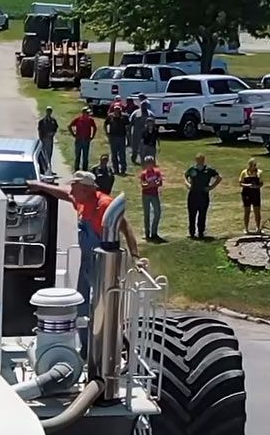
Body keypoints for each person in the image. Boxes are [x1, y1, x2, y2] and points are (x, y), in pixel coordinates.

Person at [26, 170, 140, 339]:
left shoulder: (104, 205)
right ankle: (86, 346)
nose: (71, 189)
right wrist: (40, 186)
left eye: (74, 186)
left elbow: (126, 228)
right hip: (86, 263)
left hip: (104, 265)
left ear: (87, 189)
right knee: (83, 303)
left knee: (100, 305)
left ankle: (102, 342)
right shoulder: (81, 200)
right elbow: (64, 193)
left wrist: (135, 257)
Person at [183, 154, 221, 240]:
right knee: (192, 215)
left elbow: (219, 178)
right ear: (196, 160)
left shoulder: (208, 170)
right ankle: (192, 233)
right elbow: (185, 176)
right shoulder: (192, 169)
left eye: (201, 160)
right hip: (193, 194)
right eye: (198, 160)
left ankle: (201, 232)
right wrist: (187, 184)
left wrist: (211, 187)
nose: (200, 161)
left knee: (202, 215)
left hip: (203, 195)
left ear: (204, 160)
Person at [138, 155, 166, 243]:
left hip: (154, 195)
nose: (149, 164)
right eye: (148, 163)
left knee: (157, 212)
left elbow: (160, 182)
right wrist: (151, 184)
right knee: (147, 214)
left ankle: (154, 232)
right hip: (146, 195)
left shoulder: (157, 172)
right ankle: (147, 233)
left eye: (151, 162)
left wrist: (151, 185)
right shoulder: (143, 174)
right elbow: (143, 185)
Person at [69, 106, 98, 172]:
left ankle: (85, 169)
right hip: (79, 139)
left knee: (85, 156)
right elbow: (70, 126)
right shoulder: (78, 119)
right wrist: (73, 134)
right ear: (83, 113)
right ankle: (76, 169)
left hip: (86, 139)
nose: (88, 114)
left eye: (88, 113)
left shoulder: (91, 120)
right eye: (86, 113)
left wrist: (92, 136)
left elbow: (95, 128)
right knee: (77, 155)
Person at [239, 159, 264, 234]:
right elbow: (240, 183)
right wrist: (248, 185)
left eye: (252, 165)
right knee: (247, 211)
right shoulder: (244, 172)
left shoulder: (259, 172)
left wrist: (257, 186)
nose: (251, 167)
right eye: (250, 165)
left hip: (256, 193)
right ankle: (246, 228)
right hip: (246, 193)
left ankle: (258, 228)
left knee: (257, 211)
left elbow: (261, 183)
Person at [127, 102, 152, 174]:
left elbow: (153, 124)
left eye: (145, 106)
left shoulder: (150, 114)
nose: (144, 107)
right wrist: (129, 132)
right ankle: (133, 158)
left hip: (146, 134)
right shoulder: (136, 113)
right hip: (136, 133)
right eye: (143, 105)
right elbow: (130, 123)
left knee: (144, 148)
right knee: (135, 147)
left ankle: (144, 161)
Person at [105, 101, 130, 171]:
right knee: (114, 154)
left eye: (118, 109)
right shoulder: (110, 116)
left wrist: (128, 137)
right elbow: (106, 124)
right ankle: (115, 168)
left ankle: (123, 168)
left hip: (122, 137)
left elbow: (128, 127)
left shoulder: (124, 117)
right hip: (113, 137)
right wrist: (107, 133)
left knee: (122, 154)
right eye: (115, 109)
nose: (117, 110)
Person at [36, 107, 59, 175]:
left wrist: (53, 133)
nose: (49, 112)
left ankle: (49, 170)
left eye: (50, 111)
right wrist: (41, 139)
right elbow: (39, 130)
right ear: (46, 111)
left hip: (50, 139)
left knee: (49, 155)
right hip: (43, 139)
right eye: (48, 111)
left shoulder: (53, 120)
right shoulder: (42, 121)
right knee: (43, 156)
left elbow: (55, 128)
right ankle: (43, 170)